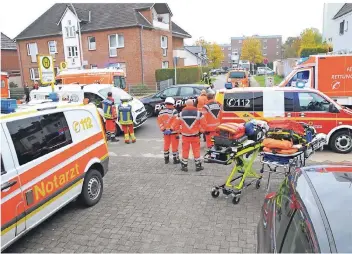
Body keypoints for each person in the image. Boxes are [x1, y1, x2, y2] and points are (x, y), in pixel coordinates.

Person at [173, 99, 207, 172]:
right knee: (196, 151)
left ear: (186, 105)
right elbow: (204, 125)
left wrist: (180, 131)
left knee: (185, 151)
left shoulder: (180, 114)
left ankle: (184, 166)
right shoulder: (199, 114)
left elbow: (174, 126)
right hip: (195, 136)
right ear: (193, 104)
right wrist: (200, 131)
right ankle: (198, 166)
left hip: (185, 137)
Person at [157, 97, 180, 164]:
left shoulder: (161, 112)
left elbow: (159, 122)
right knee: (174, 145)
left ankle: (166, 159)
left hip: (165, 132)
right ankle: (175, 159)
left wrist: (163, 129)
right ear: (173, 103)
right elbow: (176, 121)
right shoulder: (174, 111)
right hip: (174, 132)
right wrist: (171, 128)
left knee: (166, 145)